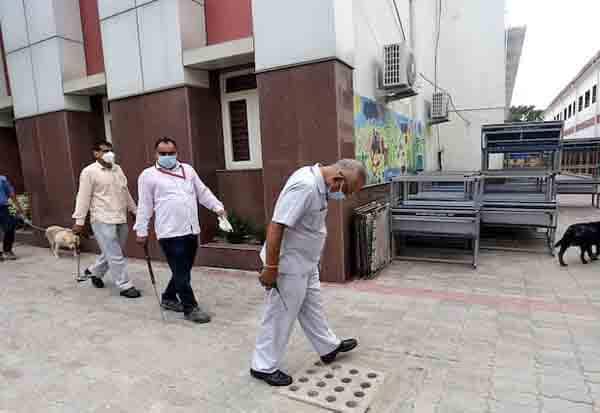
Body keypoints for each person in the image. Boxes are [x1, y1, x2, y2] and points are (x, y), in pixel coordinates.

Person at [250, 159, 367, 387]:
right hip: (288, 265)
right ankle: (262, 366)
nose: (347, 196)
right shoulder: (305, 186)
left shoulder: (321, 184)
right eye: (348, 191)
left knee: (313, 308)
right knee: (280, 315)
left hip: (306, 262)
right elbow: (277, 225)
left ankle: (328, 347)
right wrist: (271, 268)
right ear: (338, 179)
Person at [134, 137, 227, 324]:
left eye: (171, 153)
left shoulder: (188, 170)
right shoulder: (148, 176)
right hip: (169, 232)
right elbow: (145, 205)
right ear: (156, 154)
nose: (167, 156)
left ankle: (168, 297)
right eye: (163, 153)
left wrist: (217, 207)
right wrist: (141, 230)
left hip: (191, 229)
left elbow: (202, 192)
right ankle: (190, 307)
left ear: (177, 153)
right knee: (181, 273)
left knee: (183, 270)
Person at [72, 140, 141, 298]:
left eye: (110, 150)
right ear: (96, 154)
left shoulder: (118, 169)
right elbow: (83, 197)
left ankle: (95, 272)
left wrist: (134, 210)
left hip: (120, 217)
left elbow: (125, 191)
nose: (109, 154)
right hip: (102, 218)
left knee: (113, 251)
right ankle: (125, 285)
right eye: (104, 151)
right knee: (115, 254)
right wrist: (79, 221)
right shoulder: (89, 172)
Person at [0, 174, 25, 261]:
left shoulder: (2, 180)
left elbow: (11, 194)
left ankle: (7, 250)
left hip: (4, 207)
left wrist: (19, 209)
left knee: (10, 227)